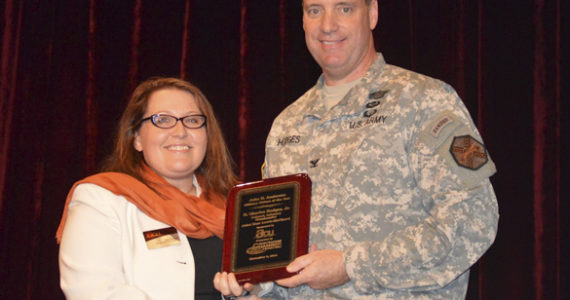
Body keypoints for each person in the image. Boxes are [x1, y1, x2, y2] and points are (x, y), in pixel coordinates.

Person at [214, 0, 499, 299]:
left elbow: (474, 220)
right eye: (315, 10)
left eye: (344, 8)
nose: (327, 25)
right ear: (303, 21)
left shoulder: (426, 101)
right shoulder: (287, 125)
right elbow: (280, 256)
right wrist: (256, 285)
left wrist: (352, 266)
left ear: (372, 13)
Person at [57, 77, 238, 299]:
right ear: (136, 139)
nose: (180, 131)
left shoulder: (235, 205)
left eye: (192, 120)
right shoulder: (99, 199)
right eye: (162, 120)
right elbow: (93, 292)